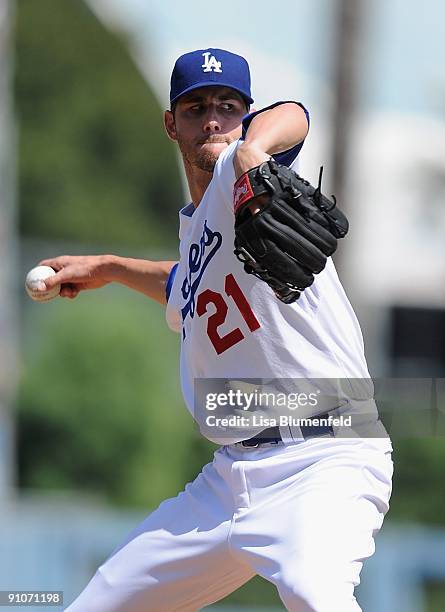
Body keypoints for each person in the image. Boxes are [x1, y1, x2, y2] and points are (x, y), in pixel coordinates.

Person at [40, 48, 393, 612]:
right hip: (228, 483)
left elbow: (296, 114)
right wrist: (108, 267)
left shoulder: (245, 172)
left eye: (228, 106)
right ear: (170, 123)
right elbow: (184, 286)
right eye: (196, 106)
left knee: (315, 594)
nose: (212, 119)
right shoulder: (195, 232)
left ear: (244, 114)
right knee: (98, 604)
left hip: (326, 459)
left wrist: (253, 150)